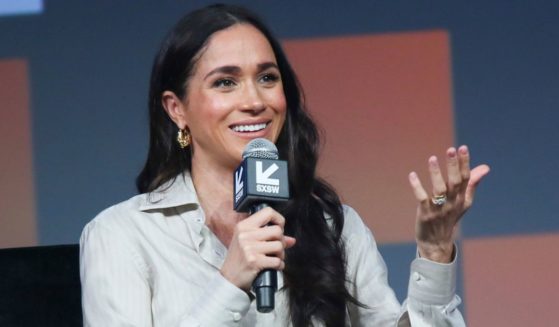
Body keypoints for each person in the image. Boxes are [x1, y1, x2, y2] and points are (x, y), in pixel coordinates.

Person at [79, 3, 490, 327]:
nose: (255, 100)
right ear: (176, 109)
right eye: (225, 82)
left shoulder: (334, 225)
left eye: (267, 78)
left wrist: (435, 253)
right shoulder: (122, 236)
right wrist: (229, 283)